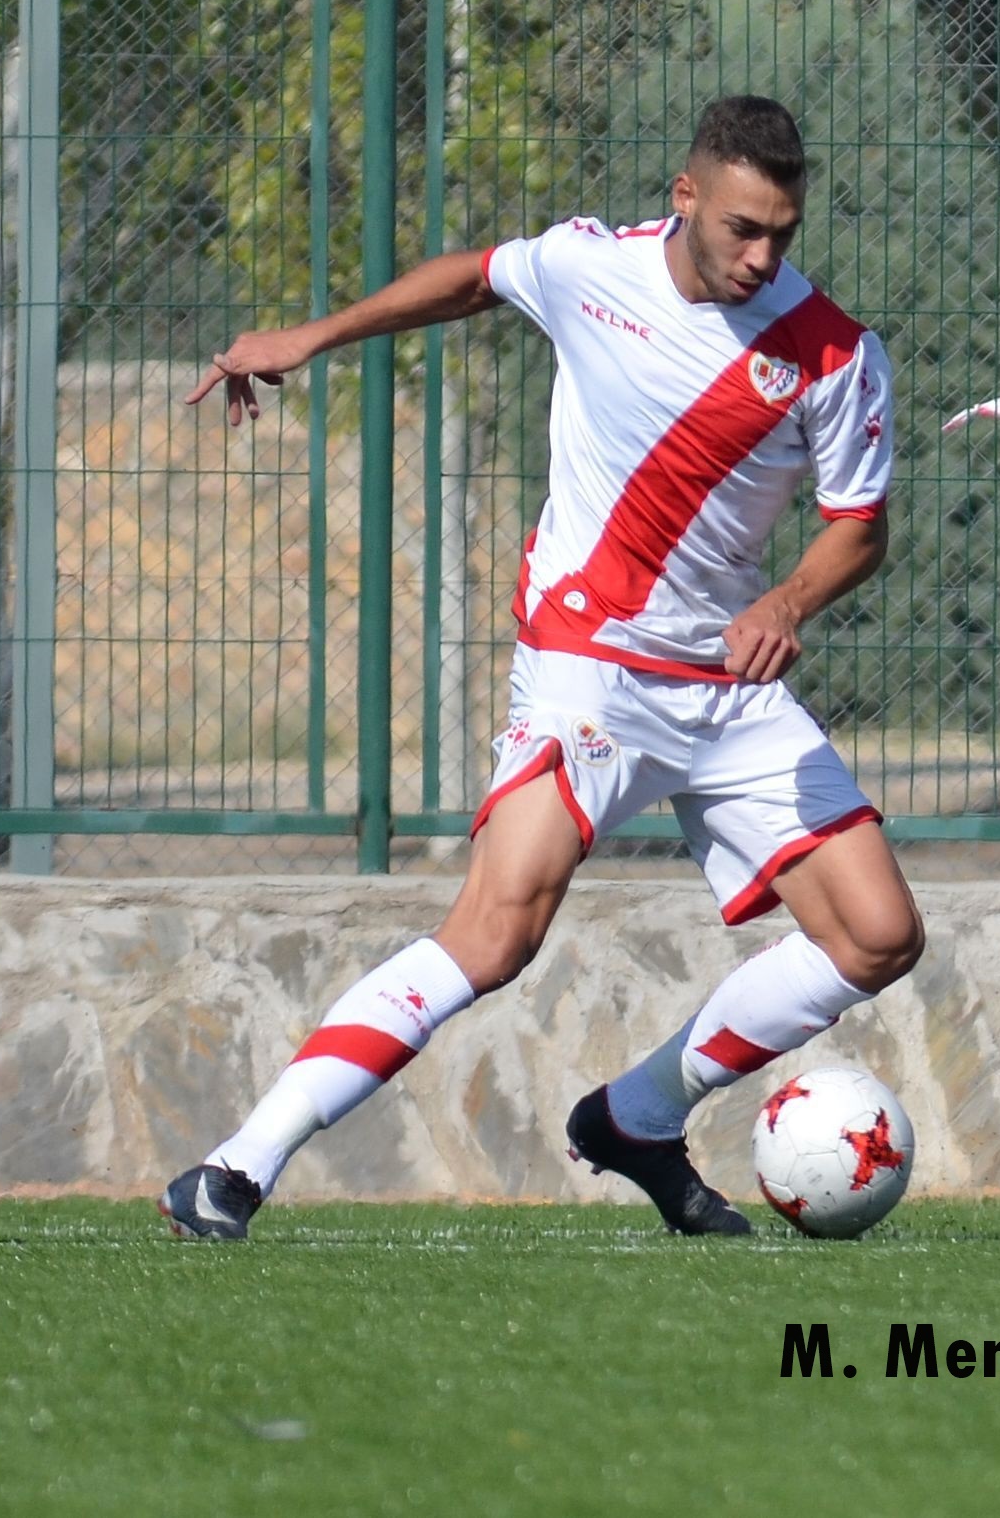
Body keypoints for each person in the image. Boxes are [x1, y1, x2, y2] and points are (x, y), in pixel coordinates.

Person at [159, 97, 919, 1241]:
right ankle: (234, 1166)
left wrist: (786, 596)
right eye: (739, 228)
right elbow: (468, 278)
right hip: (590, 667)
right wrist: (307, 336)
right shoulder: (582, 266)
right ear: (685, 196)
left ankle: (638, 1116)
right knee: (496, 931)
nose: (760, 254)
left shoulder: (832, 350)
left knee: (876, 933)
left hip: (728, 686)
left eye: (781, 230)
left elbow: (857, 526)